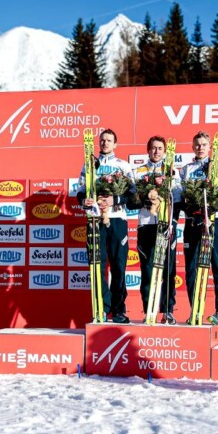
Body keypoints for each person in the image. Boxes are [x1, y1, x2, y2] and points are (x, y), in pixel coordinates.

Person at [77, 129, 135, 323]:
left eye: (109, 141)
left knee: (119, 266)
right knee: (97, 266)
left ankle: (119, 310)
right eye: (102, 141)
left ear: (115, 144)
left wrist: (114, 199)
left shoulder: (123, 166)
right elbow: (81, 191)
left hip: (117, 219)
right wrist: (84, 200)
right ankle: (101, 308)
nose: (105, 144)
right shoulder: (89, 165)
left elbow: (133, 195)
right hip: (95, 220)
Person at [180, 131, 218, 325]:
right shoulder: (185, 169)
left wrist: (212, 207)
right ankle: (195, 311)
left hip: (214, 221)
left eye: (204, 144)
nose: (200, 147)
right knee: (192, 269)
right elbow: (180, 198)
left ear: (210, 146)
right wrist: (193, 208)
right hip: (192, 223)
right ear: (192, 146)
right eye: (197, 144)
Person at [132, 136, 181, 324]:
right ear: (147, 150)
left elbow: (178, 199)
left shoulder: (172, 171)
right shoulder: (139, 172)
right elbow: (132, 200)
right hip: (146, 224)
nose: (156, 151)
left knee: (169, 269)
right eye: (153, 148)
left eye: (160, 148)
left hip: (166, 224)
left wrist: (172, 221)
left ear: (165, 151)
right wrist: (145, 200)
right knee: (147, 269)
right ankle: (148, 311)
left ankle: (167, 311)